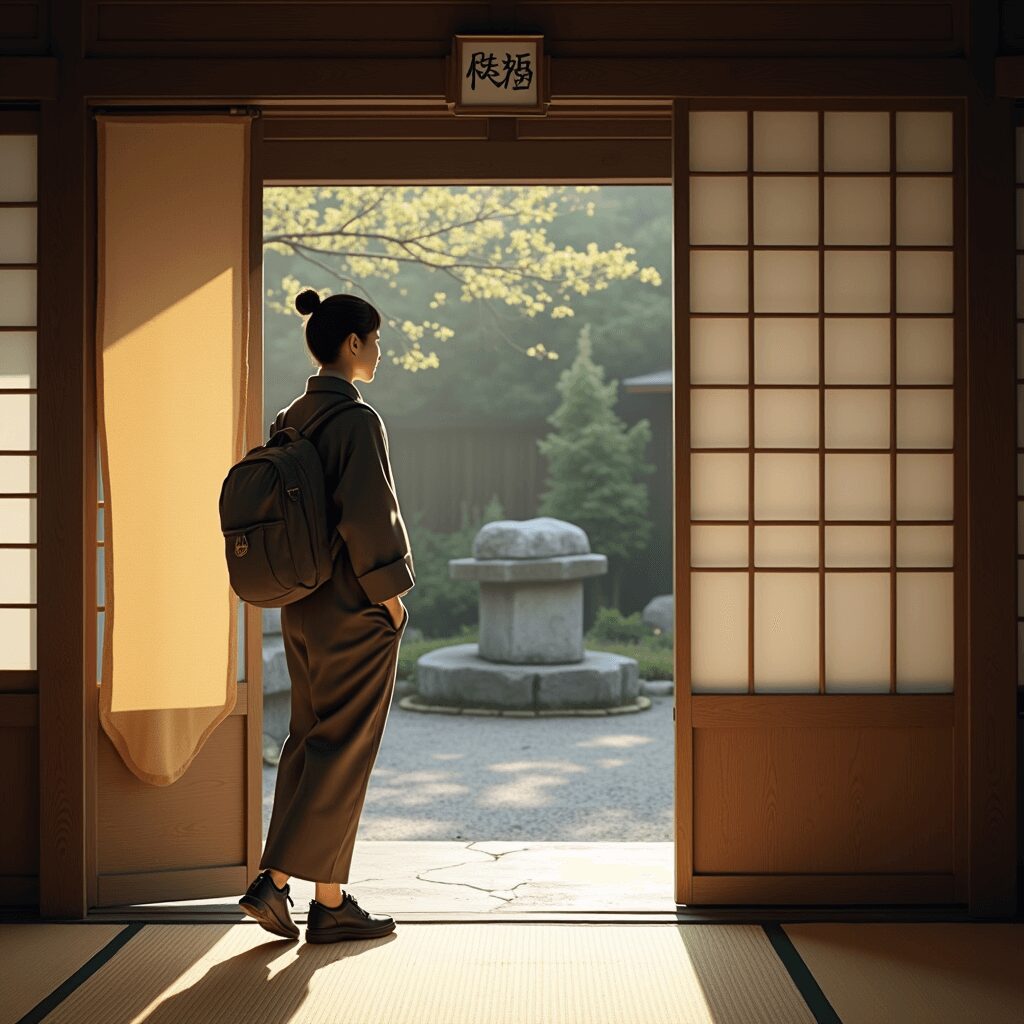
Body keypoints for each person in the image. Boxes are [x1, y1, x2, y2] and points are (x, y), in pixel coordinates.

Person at [239, 289, 414, 944]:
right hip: (353, 607)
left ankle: (321, 896)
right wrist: (392, 603)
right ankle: (282, 885)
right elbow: (368, 518)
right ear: (352, 344)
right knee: (344, 751)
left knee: (308, 744)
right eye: (374, 340)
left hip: (302, 606)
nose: (378, 352)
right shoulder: (355, 421)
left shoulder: (293, 414)